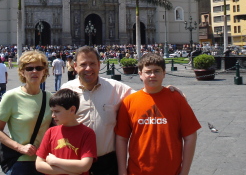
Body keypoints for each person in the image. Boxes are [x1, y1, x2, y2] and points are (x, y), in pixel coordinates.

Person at [61, 46, 182, 175]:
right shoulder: (66, 90)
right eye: (83, 64)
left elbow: (145, 98)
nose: (88, 68)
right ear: (75, 66)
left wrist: (165, 91)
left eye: (92, 64)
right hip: (74, 161)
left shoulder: (116, 88)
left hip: (107, 163)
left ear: (99, 64)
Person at [115, 53, 201, 175]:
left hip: (171, 171)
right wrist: (122, 171)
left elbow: (190, 136)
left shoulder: (177, 99)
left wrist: (184, 171)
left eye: (157, 71)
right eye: (148, 72)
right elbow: (121, 138)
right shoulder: (129, 102)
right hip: (137, 170)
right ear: (140, 74)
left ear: (164, 73)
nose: (152, 75)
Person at [0, 50, 53, 175]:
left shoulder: (50, 98)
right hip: (21, 161)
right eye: (29, 68)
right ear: (22, 72)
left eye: (39, 68)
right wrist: (20, 147)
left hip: (44, 161)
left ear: (44, 71)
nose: (34, 71)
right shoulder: (11, 97)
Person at [35, 88, 97, 175]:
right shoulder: (50, 132)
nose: (53, 115)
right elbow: (39, 165)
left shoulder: (87, 133)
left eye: (57, 111)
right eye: (52, 111)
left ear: (72, 110)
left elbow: (84, 166)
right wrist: (67, 171)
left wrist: (55, 161)